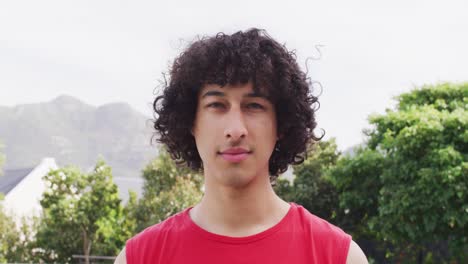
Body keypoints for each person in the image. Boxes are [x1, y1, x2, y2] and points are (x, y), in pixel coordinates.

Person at [115, 28, 368, 264]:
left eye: (254, 106)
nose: (235, 130)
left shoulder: (339, 257)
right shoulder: (139, 257)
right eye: (217, 105)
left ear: (280, 124)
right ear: (191, 121)